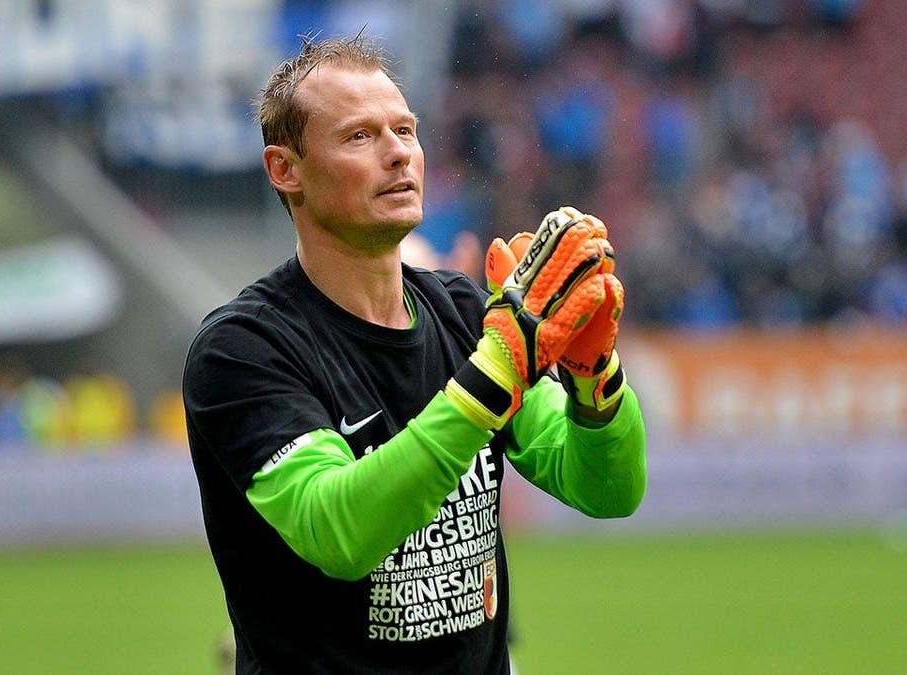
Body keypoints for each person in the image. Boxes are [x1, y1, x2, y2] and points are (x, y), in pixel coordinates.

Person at [183, 33, 647, 674]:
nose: (398, 153)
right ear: (284, 169)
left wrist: (597, 381)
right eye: (359, 137)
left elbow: (609, 490)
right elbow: (338, 529)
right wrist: (497, 374)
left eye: (405, 129)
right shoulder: (243, 350)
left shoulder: (462, 311)